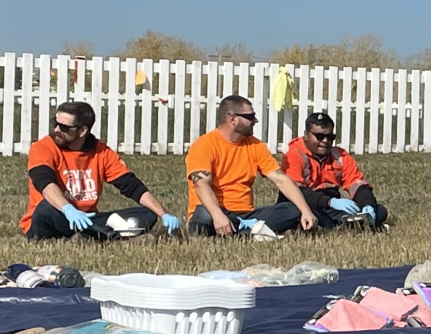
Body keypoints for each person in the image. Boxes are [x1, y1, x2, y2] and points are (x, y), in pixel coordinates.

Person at [21, 101, 181, 240]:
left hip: (87, 218)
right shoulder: (42, 148)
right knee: (46, 208)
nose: (56, 129)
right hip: (54, 216)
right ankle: (106, 236)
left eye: (63, 127)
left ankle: (89, 235)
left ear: (82, 131)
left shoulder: (101, 152)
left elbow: (131, 186)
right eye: (54, 123)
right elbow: (45, 183)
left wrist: (163, 214)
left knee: (147, 214)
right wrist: (68, 209)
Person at [185, 95, 319, 237]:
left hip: (246, 215)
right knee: (204, 214)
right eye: (250, 116)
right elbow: (201, 185)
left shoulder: (256, 146)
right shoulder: (204, 145)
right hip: (213, 211)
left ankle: (241, 231)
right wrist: (218, 216)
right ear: (232, 119)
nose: (255, 120)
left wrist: (306, 211)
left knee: (293, 210)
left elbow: (281, 179)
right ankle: (251, 231)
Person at [281, 111, 388, 230]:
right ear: (306, 135)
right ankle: (345, 226)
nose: (325, 141)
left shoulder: (339, 155)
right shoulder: (294, 155)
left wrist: (367, 204)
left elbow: (357, 183)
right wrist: (330, 202)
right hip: (305, 204)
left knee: (380, 211)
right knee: (295, 212)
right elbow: (295, 191)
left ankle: (346, 224)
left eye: (330, 137)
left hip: (330, 207)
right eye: (320, 136)